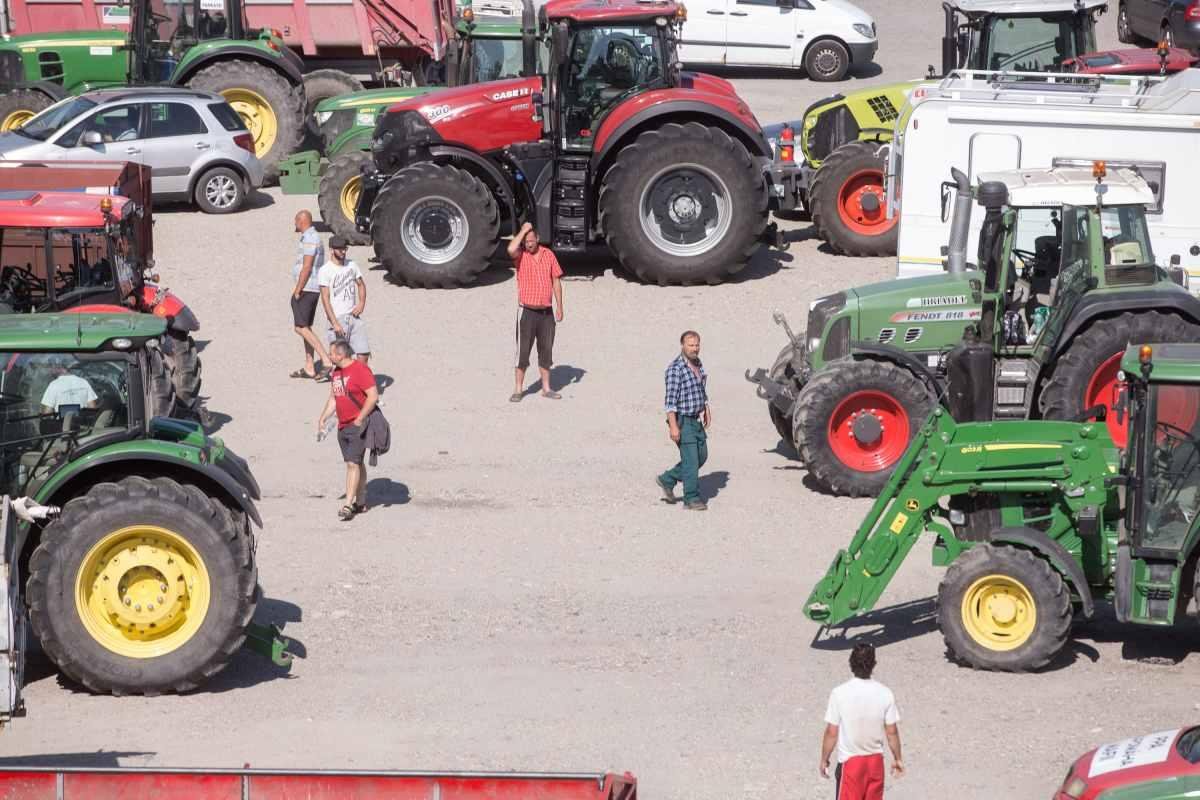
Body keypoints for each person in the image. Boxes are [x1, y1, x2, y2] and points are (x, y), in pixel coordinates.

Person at [820, 643, 904, 800]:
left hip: (851, 764)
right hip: (875, 764)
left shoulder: (839, 693)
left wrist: (824, 759)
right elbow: (891, 732)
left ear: (851, 663)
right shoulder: (885, 693)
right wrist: (898, 758)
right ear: (874, 664)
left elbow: (832, 732)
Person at [317, 340, 379, 522]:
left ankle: (348, 504)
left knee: (352, 463)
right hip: (342, 426)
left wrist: (360, 418)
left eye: (331, 353)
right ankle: (361, 499)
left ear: (341, 354)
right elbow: (334, 399)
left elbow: (373, 395)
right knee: (356, 463)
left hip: (357, 425)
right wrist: (323, 417)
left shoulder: (360, 370)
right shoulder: (336, 373)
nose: (329, 356)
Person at [507, 222, 564, 402]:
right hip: (527, 311)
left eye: (531, 241)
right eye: (526, 242)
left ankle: (546, 388)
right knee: (523, 350)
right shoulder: (520, 256)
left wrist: (560, 306)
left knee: (546, 350)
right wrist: (523, 230)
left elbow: (556, 280)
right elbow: (510, 249)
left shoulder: (549, 255)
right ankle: (518, 389)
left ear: (538, 239)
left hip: (546, 312)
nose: (529, 244)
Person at [655, 331, 710, 511]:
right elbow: (670, 402)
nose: (695, 348)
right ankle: (691, 498)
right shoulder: (675, 369)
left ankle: (668, 479)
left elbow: (701, 389)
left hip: (695, 420)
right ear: (682, 346)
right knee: (692, 461)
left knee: (701, 456)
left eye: (697, 345)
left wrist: (706, 409)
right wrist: (673, 427)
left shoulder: (697, 364)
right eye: (691, 345)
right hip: (682, 421)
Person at [290, 210, 332, 381]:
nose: (295, 225)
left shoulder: (309, 238)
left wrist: (298, 289)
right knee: (306, 326)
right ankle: (309, 366)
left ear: (301, 221)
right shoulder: (314, 237)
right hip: (311, 287)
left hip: (307, 288)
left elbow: (307, 267)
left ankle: (326, 360)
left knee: (299, 327)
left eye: (295, 221)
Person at [319, 235, 370, 363]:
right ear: (331, 250)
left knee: (363, 353)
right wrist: (334, 323)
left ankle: (360, 381)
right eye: (340, 249)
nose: (343, 251)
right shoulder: (325, 271)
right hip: (338, 319)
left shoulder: (352, 265)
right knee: (340, 359)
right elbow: (325, 299)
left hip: (354, 318)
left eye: (345, 248)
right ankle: (342, 382)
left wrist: (361, 303)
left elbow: (361, 284)